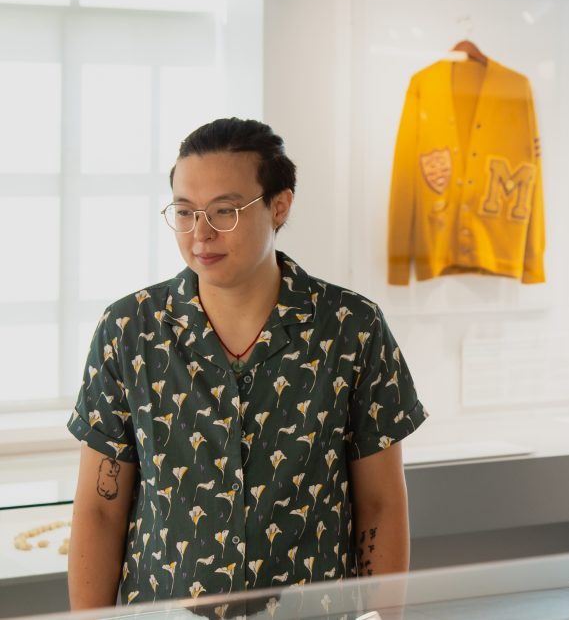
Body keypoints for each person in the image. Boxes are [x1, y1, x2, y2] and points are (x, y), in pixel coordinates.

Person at [66, 118, 427, 608]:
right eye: (185, 211)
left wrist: (382, 618)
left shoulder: (351, 328)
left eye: (225, 211)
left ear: (280, 205)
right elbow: (99, 510)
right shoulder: (130, 330)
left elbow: (381, 505)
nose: (201, 233)